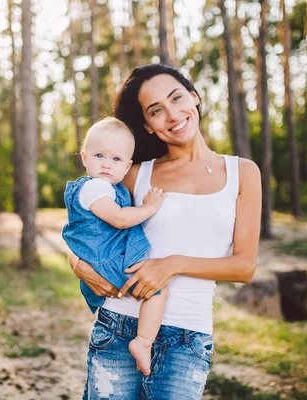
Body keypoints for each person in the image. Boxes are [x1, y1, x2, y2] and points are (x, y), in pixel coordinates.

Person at [68, 63, 262, 400]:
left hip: (188, 336)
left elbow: (244, 267)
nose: (172, 115)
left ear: (194, 96)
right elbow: (85, 226)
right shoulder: (133, 173)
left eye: (176, 99)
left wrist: (171, 264)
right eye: (157, 110)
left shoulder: (242, 172)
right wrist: (76, 263)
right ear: (147, 124)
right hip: (118, 325)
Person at [62, 117, 168, 376]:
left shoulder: (110, 187)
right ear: (85, 158)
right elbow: (120, 220)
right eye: (99, 155)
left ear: (128, 165)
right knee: (158, 290)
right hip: (108, 260)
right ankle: (143, 342)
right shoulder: (94, 188)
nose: (107, 164)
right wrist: (149, 207)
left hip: (104, 257)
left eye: (116, 159)